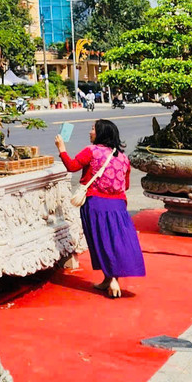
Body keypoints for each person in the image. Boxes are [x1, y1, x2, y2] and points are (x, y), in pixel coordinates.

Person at [55, 118, 145, 299]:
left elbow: (72, 166)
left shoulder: (91, 151)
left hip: (96, 203)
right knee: (115, 241)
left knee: (100, 241)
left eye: (93, 129)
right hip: (118, 206)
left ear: (101, 133)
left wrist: (61, 148)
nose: (90, 132)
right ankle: (108, 278)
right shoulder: (123, 157)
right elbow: (125, 185)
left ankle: (112, 280)